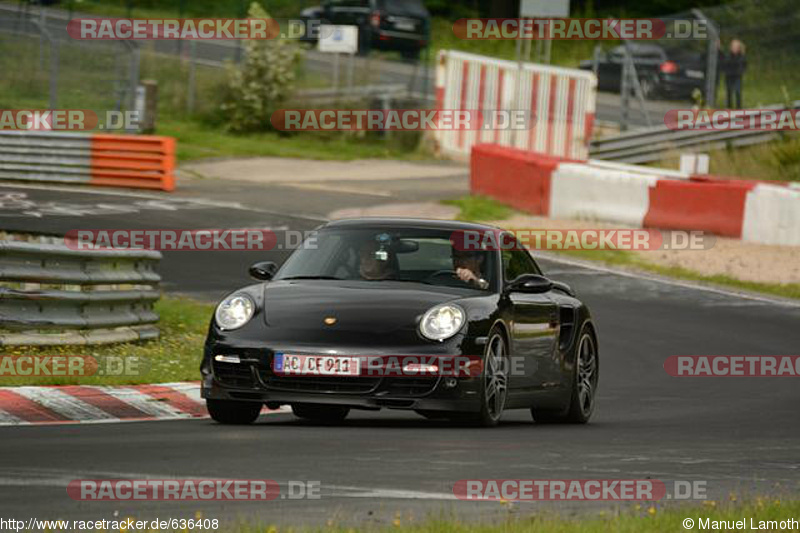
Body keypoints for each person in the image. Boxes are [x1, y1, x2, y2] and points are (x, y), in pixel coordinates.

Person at [722, 39, 747, 109]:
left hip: (737, 76)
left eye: (735, 47)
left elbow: (744, 65)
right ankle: (729, 108)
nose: (734, 48)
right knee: (729, 92)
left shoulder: (742, 56)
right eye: (733, 46)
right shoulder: (727, 56)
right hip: (729, 76)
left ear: (738, 48)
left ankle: (739, 108)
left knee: (738, 92)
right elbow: (724, 65)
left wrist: (741, 71)